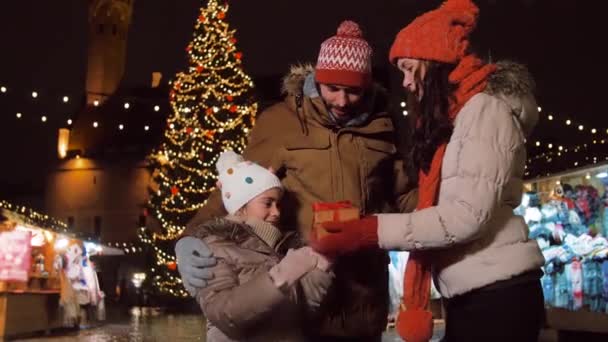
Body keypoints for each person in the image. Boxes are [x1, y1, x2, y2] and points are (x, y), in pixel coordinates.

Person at [311, 1, 546, 341]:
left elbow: (464, 217)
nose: (405, 82)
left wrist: (369, 230)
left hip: (498, 292)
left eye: (408, 68)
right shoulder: (455, 117)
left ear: (433, 62)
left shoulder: (484, 112)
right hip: (475, 290)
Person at [176, 20, 417, 341]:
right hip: (304, 288)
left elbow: (404, 194)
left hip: (363, 293)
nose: (342, 101)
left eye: (353, 91)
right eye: (334, 89)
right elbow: (240, 188)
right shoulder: (281, 122)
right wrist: (190, 238)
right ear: (318, 80)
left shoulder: (382, 126)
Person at [191, 151, 332, 341]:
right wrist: (280, 276)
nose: (276, 212)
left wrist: (321, 269)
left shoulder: (281, 247)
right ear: (241, 206)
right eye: (267, 203)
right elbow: (224, 314)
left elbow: (303, 312)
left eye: (278, 204)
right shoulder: (215, 246)